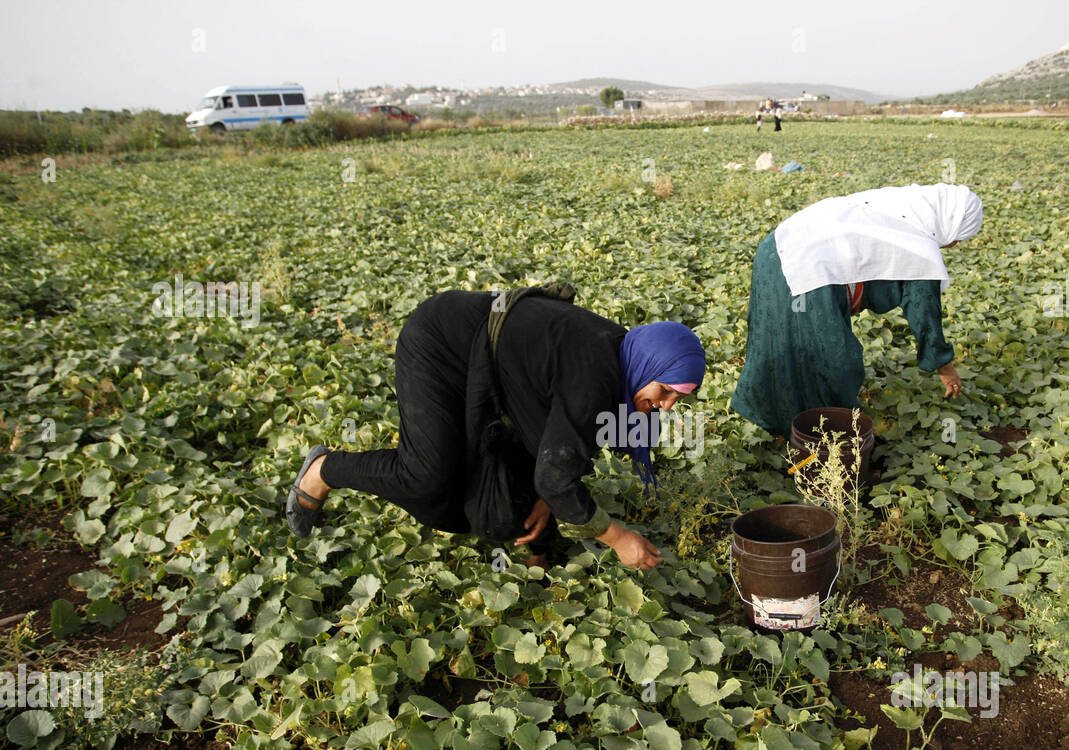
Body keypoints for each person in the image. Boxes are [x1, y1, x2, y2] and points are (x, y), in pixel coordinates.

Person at [285, 288, 707, 571]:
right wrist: (618, 538)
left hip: (499, 372)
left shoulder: (621, 358)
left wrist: (548, 493)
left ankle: (539, 567)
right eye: (665, 390)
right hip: (443, 344)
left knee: (521, 502)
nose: (665, 406)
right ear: (649, 365)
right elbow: (560, 463)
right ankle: (325, 470)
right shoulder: (594, 376)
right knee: (427, 475)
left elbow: (565, 448)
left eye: (678, 400)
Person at [730, 182, 983, 439]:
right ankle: (829, 440)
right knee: (834, 363)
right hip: (806, 272)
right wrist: (944, 366)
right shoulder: (918, 245)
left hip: (774, 251)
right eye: (958, 239)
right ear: (951, 226)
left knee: (779, 346)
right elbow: (924, 311)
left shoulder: (895, 206)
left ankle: (786, 427)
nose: (953, 246)